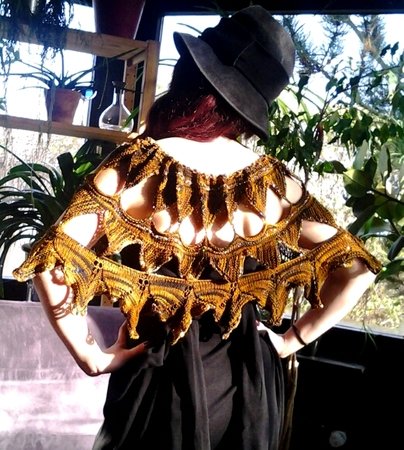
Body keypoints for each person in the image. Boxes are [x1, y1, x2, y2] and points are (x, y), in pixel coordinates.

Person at [14, 5, 381, 450]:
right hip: (247, 387)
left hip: (154, 382)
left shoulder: (138, 166)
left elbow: (50, 261)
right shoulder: (274, 185)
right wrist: (290, 341)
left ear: (189, 77)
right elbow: (357, 269)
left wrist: (90, 354)